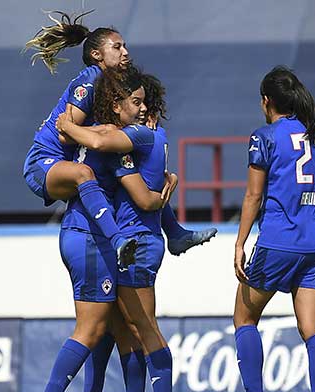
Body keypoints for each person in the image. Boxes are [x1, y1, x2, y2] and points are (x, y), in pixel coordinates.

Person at [30, 66, 173, 392]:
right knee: (91, 329)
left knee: (118, 328)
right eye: (135, 102)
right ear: (115, 103)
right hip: (90, 236)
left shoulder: (102, 131)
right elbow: (132, 182)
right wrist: (161, 196)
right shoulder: (109, 134)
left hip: (87, 233)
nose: (141, 109)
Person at [23, 11, 215, 268]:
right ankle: (118, 241)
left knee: (132, 171)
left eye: (125, 46)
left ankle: (175, 232)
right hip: (43, 163)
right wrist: (110, 130)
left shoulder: (111, 84)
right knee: (84, 173)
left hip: (70, 159)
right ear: (96, 55)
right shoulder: (91, 78)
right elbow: (64, 133)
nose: (125, 51)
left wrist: (139, 117)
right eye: (117, 47)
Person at [218, 66, 315, 392]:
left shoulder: (264, 137)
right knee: (314, 330)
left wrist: (239, 243)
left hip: (278, 243)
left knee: (244, 318)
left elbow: (254, 195)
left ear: (267, 101)